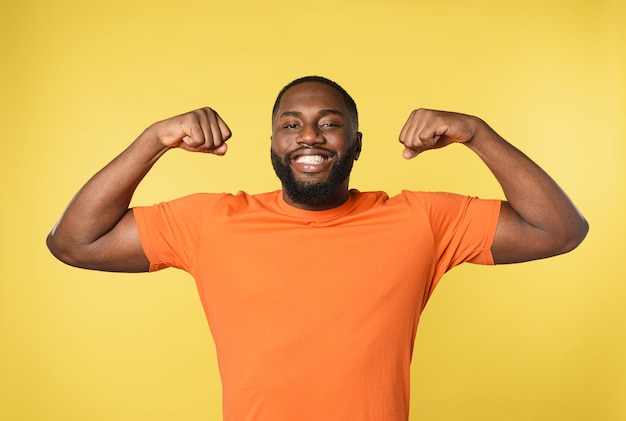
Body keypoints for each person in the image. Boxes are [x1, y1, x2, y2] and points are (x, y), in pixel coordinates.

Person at [46, 76, 588, 420]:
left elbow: (559, 230)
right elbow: (74, 242)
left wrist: (478, 133)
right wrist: (153, 140)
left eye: (330, 125)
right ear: (275, 145)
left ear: (355, 145)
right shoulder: (213, 220)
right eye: (292, 125)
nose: (310, 136)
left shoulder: (419, 218)